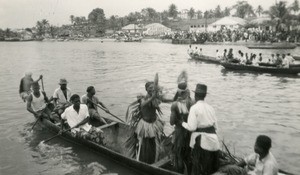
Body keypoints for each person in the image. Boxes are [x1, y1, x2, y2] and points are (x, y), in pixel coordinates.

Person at [181, 83, 220, 175]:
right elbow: (216, 128)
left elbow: (192, 127)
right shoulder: (211, 108)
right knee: (210, 169)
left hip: (202, 143)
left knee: (198, 168)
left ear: (195, 95)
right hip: (214, 143)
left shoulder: (194, 108)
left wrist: (182, 123)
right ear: (205, 95)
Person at [135, 81, 172, 164]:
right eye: (150, 88)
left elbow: (165, 100)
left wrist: (175, 99)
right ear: (146, 89)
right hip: (145, 125)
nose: (152, 89)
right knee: (144, 144)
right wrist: (153, 97)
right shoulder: (142, 98)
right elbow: (143, 104)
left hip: (154, 123)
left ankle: (155, 160)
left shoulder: (156, 98)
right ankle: (141, 161)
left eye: (153, 88)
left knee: (155, 143)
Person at [170, 82, 193, 174]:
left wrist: (178, 120)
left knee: (178, 154)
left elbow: (171, 122)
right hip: (190, 132)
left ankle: (179, 172)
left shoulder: (175, 105)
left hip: (180, 133)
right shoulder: (192, 102)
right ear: (187, 91)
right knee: (188, 154)